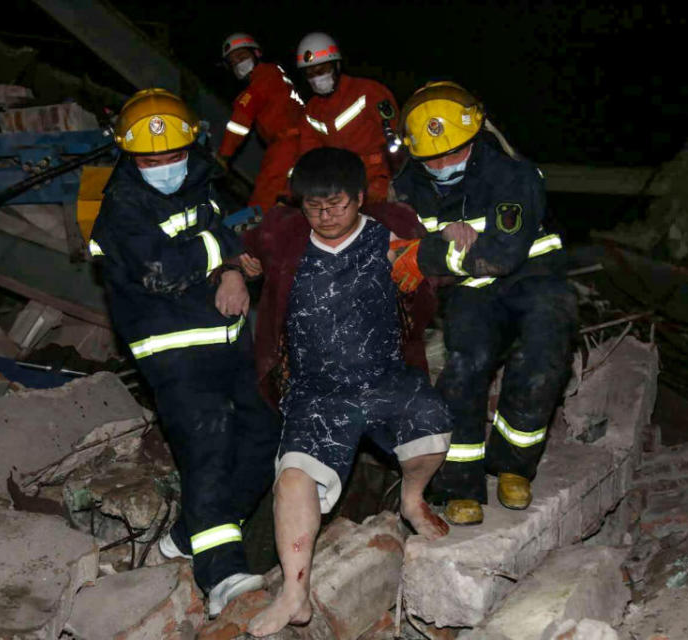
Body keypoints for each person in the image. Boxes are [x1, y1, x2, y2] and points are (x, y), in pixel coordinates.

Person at [240, 148, 452, 636]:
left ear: (360, 198)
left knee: (433, 427)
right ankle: (295, 595)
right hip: (317, 392)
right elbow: (241, 250)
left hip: (385, 378)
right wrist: (233, 271)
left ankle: (413, 498)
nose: (325, 216)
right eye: (314, 206)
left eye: (336, 204)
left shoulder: (392, 230)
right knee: (292, 482)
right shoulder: (283, 233)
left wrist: (449, 247)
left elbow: (442, 268)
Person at [89, 89, 280, 618]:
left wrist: (235, 271)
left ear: (191, 148)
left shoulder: (201, 187)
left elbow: (216, 239)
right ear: (129, 156)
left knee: (266, 432)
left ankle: (189, 534)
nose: (164, 166)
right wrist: (230, 255)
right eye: (151, 159)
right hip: (173, 353)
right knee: (210, 445)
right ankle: (222, 575)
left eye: (173, 155)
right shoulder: (120, 208)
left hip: (227, 339)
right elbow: (161, 271)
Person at [390, 82, 578, 523]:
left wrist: (432, 252)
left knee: (543, 354)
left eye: (452, 152)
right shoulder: (407, 187)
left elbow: (500, 255)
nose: (442, 164)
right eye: (431, 157)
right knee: (465, 364)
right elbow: (394, 251)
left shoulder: (513, 175)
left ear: (474, 138)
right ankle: (460, 484)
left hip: (535, 280)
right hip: (470, 292)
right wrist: (434, 246)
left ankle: (514, 467)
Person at [295, 32, 399, 203]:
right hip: (344, 188)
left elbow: (396, 136)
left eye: (322, 70)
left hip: (381, 180)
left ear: (336, 65)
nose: (316, 78)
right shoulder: (311, 112)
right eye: (310, 73)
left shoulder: (368, 91)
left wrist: (397, 181)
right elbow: (309, 158)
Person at [218, 33, 306, 213]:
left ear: (257, 53)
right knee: (285, 201)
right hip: (303, 144)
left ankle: (247, 238)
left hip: (286, 146)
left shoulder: (262, 78)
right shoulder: (277, 76)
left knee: (262, 204)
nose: (239, 64)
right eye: (233, 62)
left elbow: (240, 120)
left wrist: (223, 156)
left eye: (242, 56)